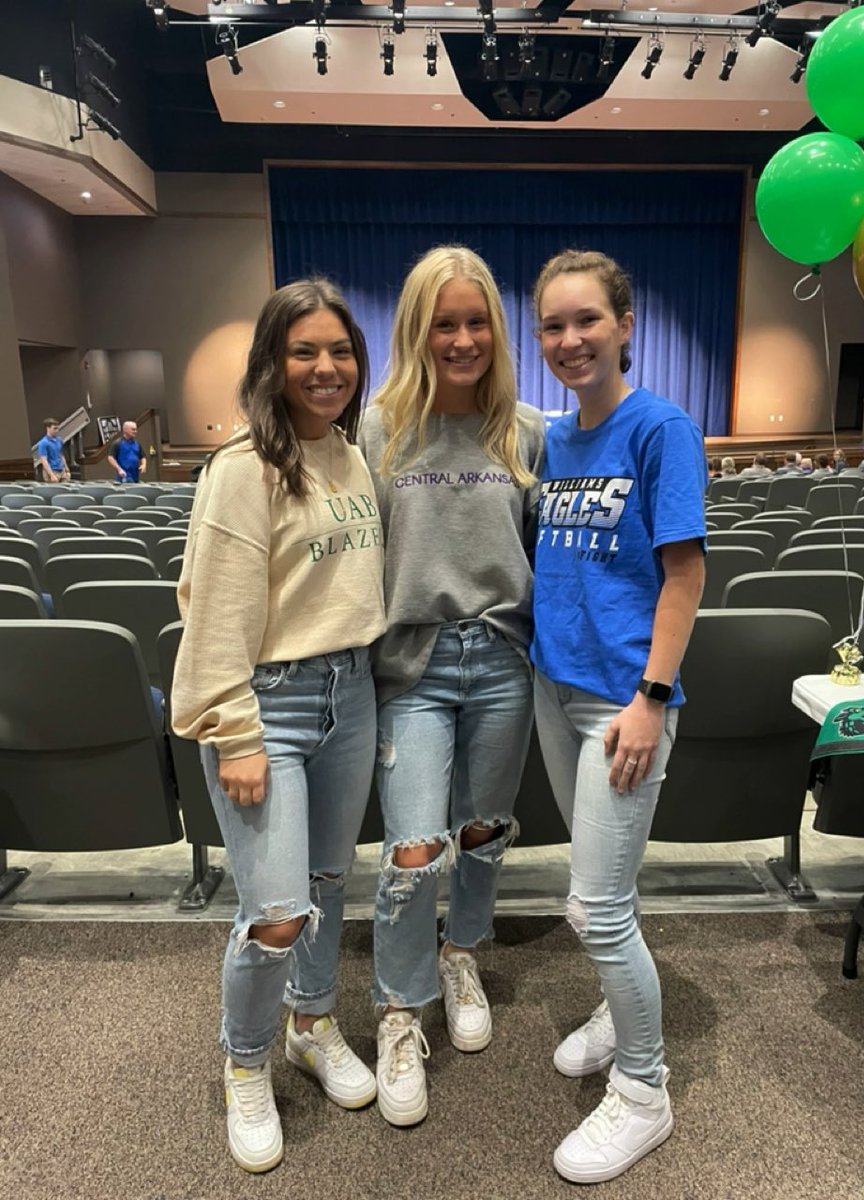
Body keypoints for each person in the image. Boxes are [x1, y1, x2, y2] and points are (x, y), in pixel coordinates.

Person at [171, 279, 387, 1173]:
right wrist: (236, 730)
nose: (325, 367)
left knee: (329, 885)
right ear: (272, 362)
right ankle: (245, 1062)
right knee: (273, 913)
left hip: (353, 694)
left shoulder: (350, 454)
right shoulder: (241, 471)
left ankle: (312, 1024)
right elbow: (213, 610)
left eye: (339, 351)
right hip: (272, 705)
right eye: (305, 351)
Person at [357, 245, 545, 1128]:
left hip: (502, 660)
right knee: (412, 848)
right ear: (417, 330)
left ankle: (461, 952)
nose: (462, 338)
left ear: (495, 332)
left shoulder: (527, 431)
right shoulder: (379, 428)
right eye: (446, 324)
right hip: (415, 669)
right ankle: (400, 1011)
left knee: (481, 832)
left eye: (477, 323)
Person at [530, 250, 706, 1184]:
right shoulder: (556, 440)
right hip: (554, 692)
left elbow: (685, 574)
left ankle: (645, 1089)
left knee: (593, 906)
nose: (569, 340)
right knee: (607, 894)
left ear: (626, 324)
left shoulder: (660, 427)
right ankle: (616, 1008)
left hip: (621, 700)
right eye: (553, 325)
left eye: (587, 320)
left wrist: (650, 698)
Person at [36, 418, 69, 483]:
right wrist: (51, 475)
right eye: (54, 428)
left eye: (57, 428)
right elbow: (44, 460)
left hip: (62, 471)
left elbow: (61, 455)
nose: (57, 430)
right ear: (48, 428)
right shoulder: (43, 443)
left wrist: (67, 470)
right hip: (52, 472)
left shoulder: (59, 440)